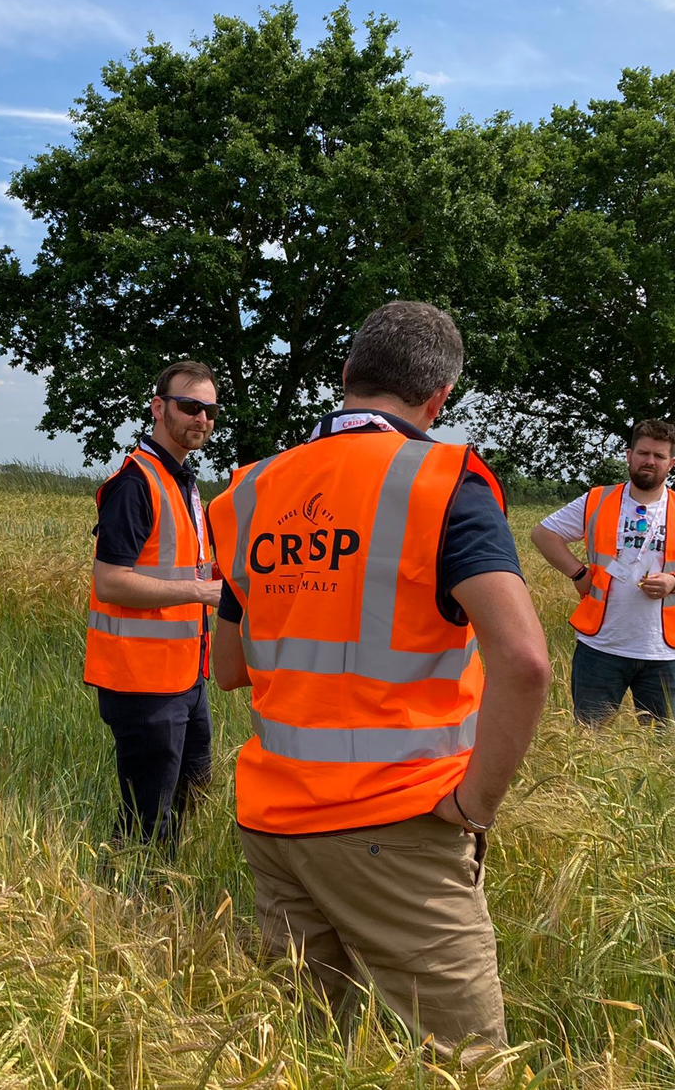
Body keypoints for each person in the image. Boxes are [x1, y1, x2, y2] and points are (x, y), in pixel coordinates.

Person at [207, 301, 551, 1055]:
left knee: (306, 1053)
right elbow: (525, 662)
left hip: (275, 823)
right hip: (399, 823)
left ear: (345, 377)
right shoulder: (447, 480)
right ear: (439, 399)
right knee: (463, 1060)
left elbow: (227, 667)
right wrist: (476, 804)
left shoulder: (250, 492)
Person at [84, 361, 222, 852]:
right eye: (190, 406)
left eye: (209, 409)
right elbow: (110, 582)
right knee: (147, 814)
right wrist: (201, 593)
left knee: (194, 787)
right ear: (158, 407)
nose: (200, 418)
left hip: (185, 674)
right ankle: (129, 902)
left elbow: (183, 566)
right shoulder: (135, 483)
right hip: (141, 680)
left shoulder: (183, 481)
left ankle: (166, 882)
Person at [530, 418, 675, 727]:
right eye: (643, 453)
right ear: (629, 455)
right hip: (600, 648)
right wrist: (579, 574)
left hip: (664, 653)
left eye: (659, 456)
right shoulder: (597, 500)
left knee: (662, 750)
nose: (650, 461)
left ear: (671, 463)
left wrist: (673, 582)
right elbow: (543, 534)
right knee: (589, 743)